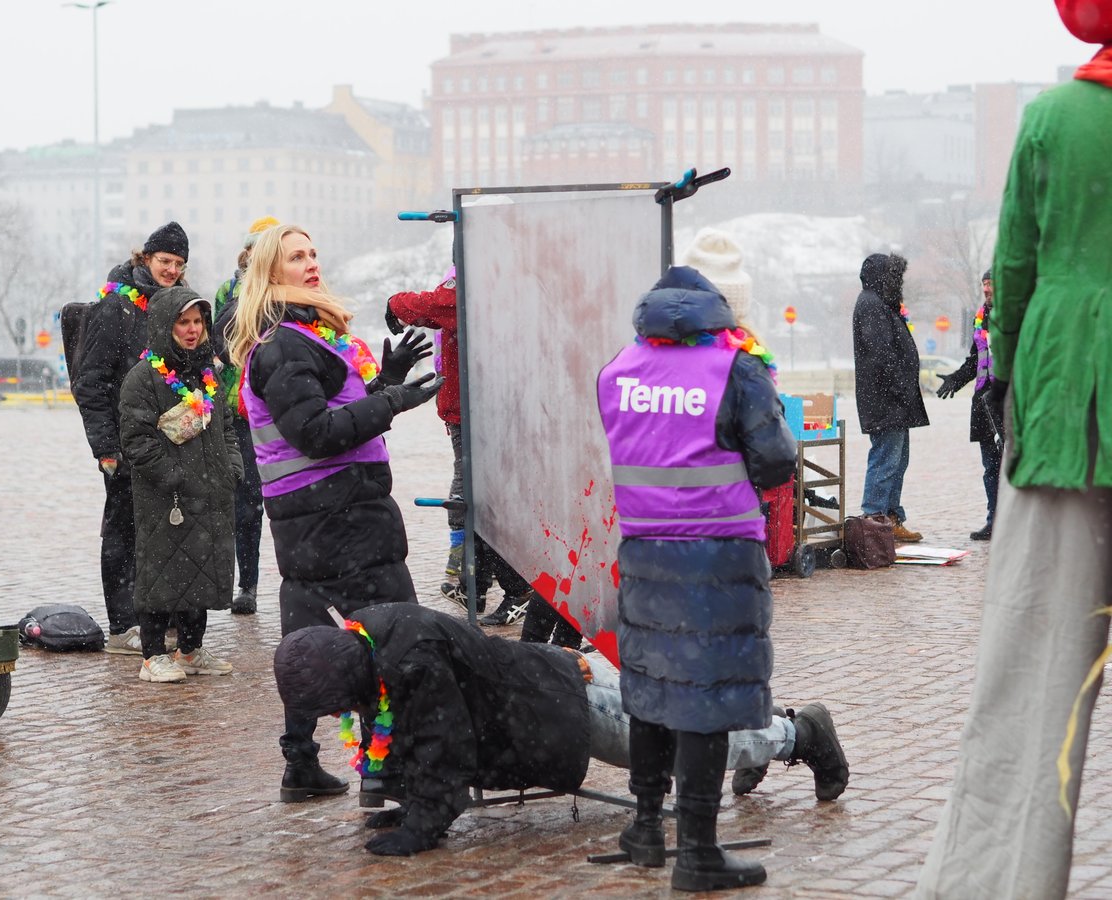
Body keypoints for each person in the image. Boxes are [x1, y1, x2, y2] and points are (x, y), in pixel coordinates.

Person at [916, 3, 1112, 897]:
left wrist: (1010, 389)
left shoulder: (1054, 120)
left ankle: (999, 882)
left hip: (1071, 403)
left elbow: (1018, 272)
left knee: (1032, 679)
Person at [272, 604, 849, 858]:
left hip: (565, 704)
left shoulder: (410, 662)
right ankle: (772, 734)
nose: (332, 717)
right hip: (549, 684)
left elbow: (443, 751)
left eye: (329, 706)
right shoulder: (368, 638)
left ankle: (800, 735)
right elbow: (409, 738)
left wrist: (421, 827)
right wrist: (410, 810)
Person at [596, 266, 799, 892]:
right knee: (704, 699)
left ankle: (647, 829)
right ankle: (700, 853)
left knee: (654, 683)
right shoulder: (734, 370)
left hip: (644, 551)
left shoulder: (617, 370)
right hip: (716, 555)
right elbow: (776, 462)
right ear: (716, 312)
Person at [226, 223, 441, 800]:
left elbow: (327, 412)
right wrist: (393, 401)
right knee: (391, 640)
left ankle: (300, 764)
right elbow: (317, 433)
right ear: (273, 274)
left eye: (315, 252)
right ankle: (386, 775)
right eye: (298, 257)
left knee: (307, 640)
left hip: (313, 523)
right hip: (341, 519)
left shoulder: (294, 339)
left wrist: (384, 379)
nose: (312, 263)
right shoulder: (286, 346)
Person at [386, 270, 540, 627]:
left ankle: (506, 585)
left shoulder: (481, 274)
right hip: (475, 407)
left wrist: (396, 303)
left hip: (479, 410)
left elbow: (442, 304)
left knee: (474, 500)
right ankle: (477, 586)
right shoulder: (501, 269)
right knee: (480, 500)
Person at [72, 221, 190, 655]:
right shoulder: (115, 307)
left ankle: (169, 614)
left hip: (174, 438)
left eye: (179, 264)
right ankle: (123, 624)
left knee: (172, 527)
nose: (172, 270)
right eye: (165, 261)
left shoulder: (179, 305)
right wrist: (105, 447)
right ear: (146, 258)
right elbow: (92, 382)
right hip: (126, 440)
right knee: (124, 530)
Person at [118, 287, 242, 683]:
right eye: (183, 322)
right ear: (164, 326)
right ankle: (153, 655)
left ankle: (190, 649)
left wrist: (232, 468)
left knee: (201, 567)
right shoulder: (143, 378)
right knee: (161, 571)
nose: (192, 331)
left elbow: (227, 428)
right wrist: (175, 477)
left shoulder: (209, 376)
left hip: (210, 492)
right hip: (165, 498)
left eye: (197, 322)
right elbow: (136, 441)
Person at [212, 216, 278, 614]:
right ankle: (247, 584)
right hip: (240, 410)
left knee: (290, 495)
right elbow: (216, 345)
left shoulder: (285, 292)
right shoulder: (228, 290)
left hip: (278, 409)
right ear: (248, 252)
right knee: (247, 501)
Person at [852, 252, 929, 543]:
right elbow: (881, 352)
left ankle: (891, 517)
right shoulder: (871, 304)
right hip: (886, 400)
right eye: (895, 276)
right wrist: (900, 387)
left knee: (898, 459)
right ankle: (874, 521)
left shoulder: (880, 302)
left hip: (894, 400)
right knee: (886, 459)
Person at [934, 269, 1002, 541]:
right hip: (984, 402)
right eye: (984, 284)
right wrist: (956, 378)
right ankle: (994, 520)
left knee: (1012, 465)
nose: (986, 290)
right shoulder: (981, 316)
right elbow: (976, 360)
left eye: (992, 284)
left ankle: (1017, 523)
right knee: (991, 467)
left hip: (1007, 400)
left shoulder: (1015, 317)